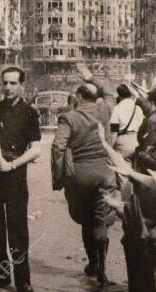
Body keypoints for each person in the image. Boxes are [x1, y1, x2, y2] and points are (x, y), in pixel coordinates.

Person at [52, 64, 118, 288]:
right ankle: (102, 268)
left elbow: (58, 147)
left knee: (86, 220)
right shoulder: (105, 110)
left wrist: (59, 177)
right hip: (104, 174)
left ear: (79, 96)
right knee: (100, 222)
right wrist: (91, 76)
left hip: (79, 177)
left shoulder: (69, 118)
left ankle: (91, 263)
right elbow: (109, 92)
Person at [0, 67, 41, 292]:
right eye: (5, 83)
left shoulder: (30, 112)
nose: (7, 88)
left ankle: (23, 281)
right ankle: (1, 276)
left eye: (13, 83)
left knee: (18, 228)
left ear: (22, 85)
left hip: (14, 174)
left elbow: (36, 150)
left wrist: (12, 164)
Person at [110, 84, 144, 160]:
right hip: (136, 140)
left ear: (119, 95)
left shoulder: (117, 109)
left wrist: (110, 147)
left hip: (122, 142)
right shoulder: (138, 108)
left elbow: (114, 130)